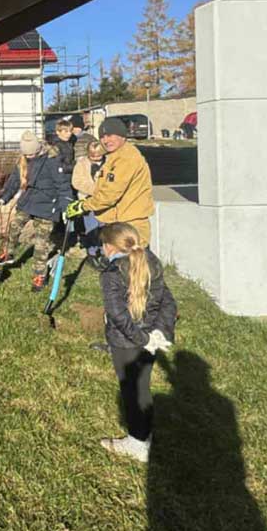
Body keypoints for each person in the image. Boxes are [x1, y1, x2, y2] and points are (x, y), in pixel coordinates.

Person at [96, 222, 176, 463]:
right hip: (149, 340)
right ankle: (145, 434)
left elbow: (118, 315)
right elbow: (168, 302)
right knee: (142, 386)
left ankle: (137, 442)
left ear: (110, 247)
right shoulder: (151, 261)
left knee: (131, 390)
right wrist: (159, 333)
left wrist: (143, 338)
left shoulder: (111, 273)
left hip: (125, 342)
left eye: (103, 245)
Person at [0, 130, 73, 291]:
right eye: (27, 154)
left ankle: (39, 276)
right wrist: (4, 197)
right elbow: (14, 181)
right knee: (14, 226)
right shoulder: (23, 161)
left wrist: (66, 207)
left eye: (32, 154)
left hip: (47, 206)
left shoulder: (52, 160)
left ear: (38, 149)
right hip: (29, 201)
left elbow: (63, 185)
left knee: (40, 243)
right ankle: (8, 253)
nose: (29, 157)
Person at [64, 116, 154, 245]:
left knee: (131, 256)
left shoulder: (126, 159)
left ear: (122, 135)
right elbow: (103, 187)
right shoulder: (113, 157)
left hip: (130, 224)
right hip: (119, 220)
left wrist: (83, 206)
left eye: (110, 135)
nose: (106, 140)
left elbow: (110, 194)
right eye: (102, 137)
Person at [71, 139, 108, 264]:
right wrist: (93, 189)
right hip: (88, 200)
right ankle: (92, 252)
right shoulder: (81, 164)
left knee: (104, 228)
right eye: (93, 156)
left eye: (99, 156)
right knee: (91, 228)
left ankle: (104, 252)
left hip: (105, 202)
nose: (96, 159)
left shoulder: (108, 163)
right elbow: (77, 182)